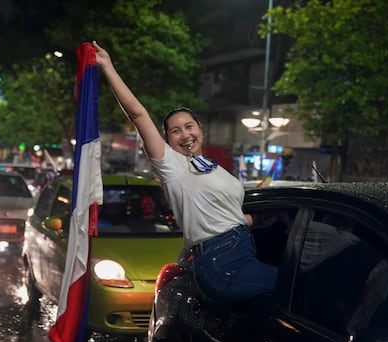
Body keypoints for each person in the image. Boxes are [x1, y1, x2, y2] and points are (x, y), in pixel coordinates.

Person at [92, 41, 278, 306]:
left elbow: (227, 216)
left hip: (242, 247)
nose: (185, 134)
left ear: (200, 130)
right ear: (166, 140)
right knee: (297, 287)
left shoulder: (215, 168)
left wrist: (265, 219)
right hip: (219, 261)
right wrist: (107, 66)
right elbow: (138, 113)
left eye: (189, 126)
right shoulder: (173, 166)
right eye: (175, 131)